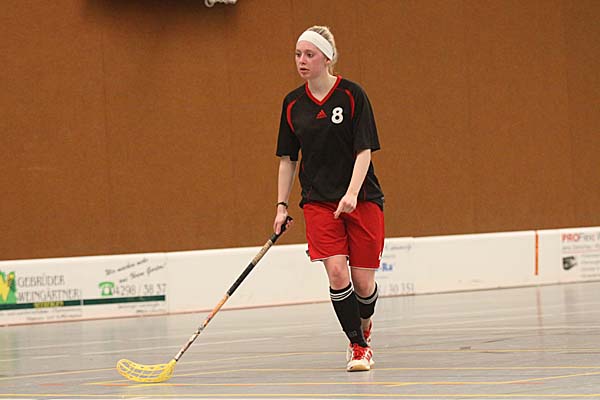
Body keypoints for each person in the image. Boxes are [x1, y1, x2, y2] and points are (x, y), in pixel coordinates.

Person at [273, 25, 385, 372]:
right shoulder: (293, 104)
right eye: (298, 54)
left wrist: (351, 194)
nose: (302, 61)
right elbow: (287, 160)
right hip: (319, 201)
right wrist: (281, 206)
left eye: (309, 54)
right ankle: (358, 346)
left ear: (327, 58)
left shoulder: (352, 95)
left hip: (361, 197)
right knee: (337, 273)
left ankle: (363, 325)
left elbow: (364, 150)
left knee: (363, 284)